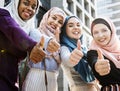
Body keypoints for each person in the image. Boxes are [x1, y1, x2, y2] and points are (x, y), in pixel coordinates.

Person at [0, 4, 60, 91]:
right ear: (17, 3)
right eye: (26, 2)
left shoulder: (28, 29)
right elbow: (14, 31)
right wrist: (31, 46)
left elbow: (35, 35)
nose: (29, 8)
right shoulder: (3, 14)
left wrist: (49, 42)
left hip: (11, 80)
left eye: (34, 7)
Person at [22, 7, 66, 91]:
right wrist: (49, 41)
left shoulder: (60, 41)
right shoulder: (35, 32)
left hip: (53, 81)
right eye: (53, 18)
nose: (55, 23)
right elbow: (36, 38)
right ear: (47, 17)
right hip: (35, 77)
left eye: (60, 22)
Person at [60, 16, 99, 91]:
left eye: (78, 25)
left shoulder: (84, 48)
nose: (76, 27)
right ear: (65, 30)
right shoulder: (64, 48)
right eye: (71, 25)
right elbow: (66, 59)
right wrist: (72, 58)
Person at [87, 17, 120, 91]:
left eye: (104, 30)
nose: (100, 35)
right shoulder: (93, 52)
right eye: (95, 32)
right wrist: (97, 66)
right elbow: (94, 62)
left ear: (111, 31)